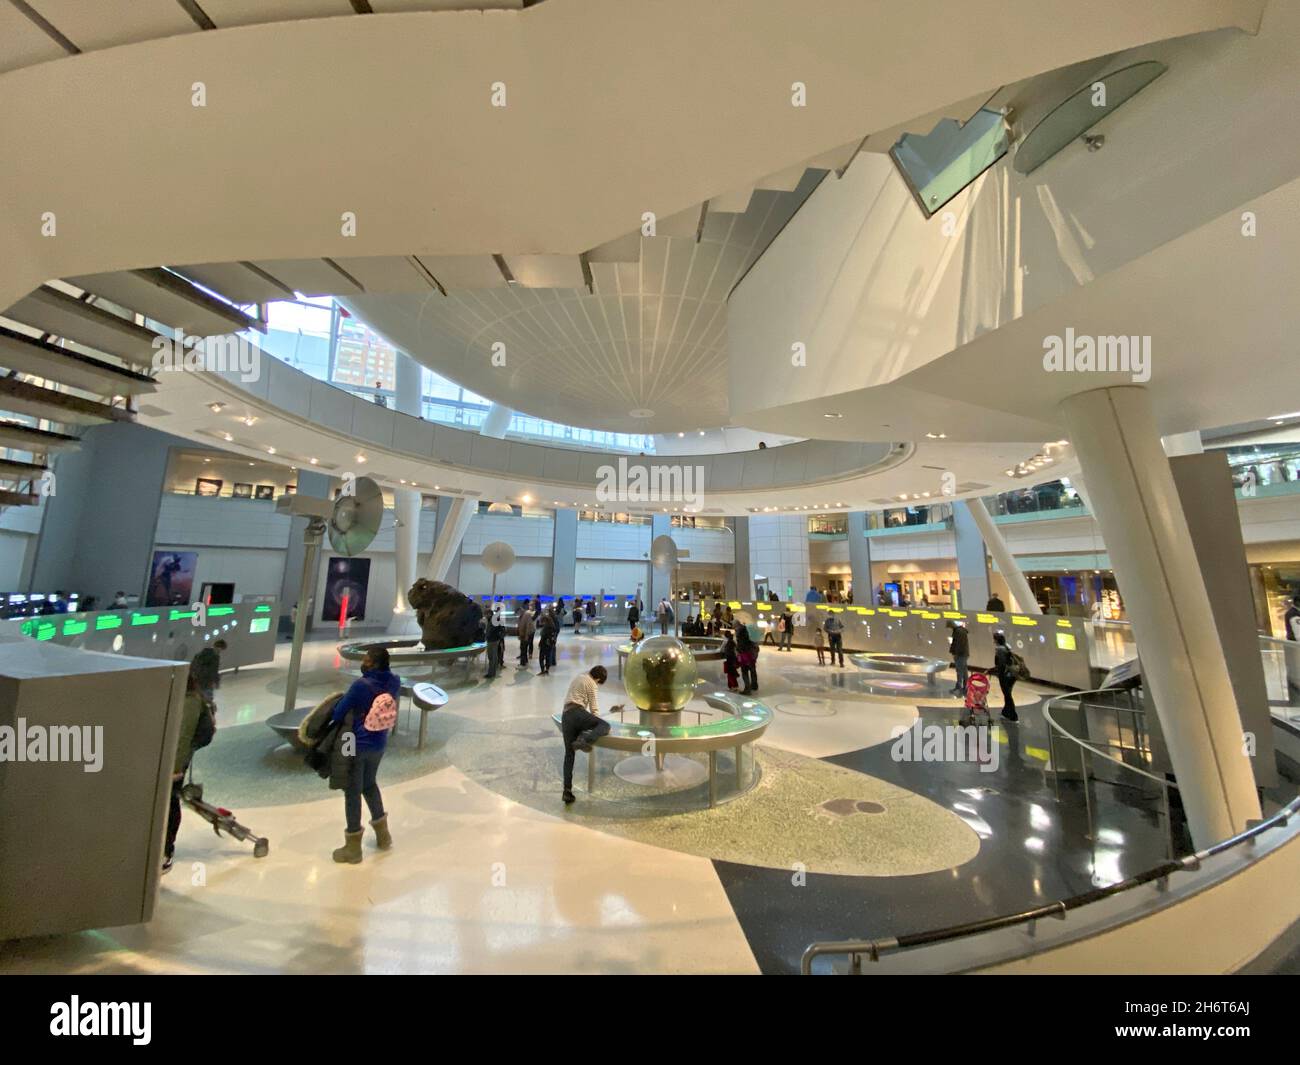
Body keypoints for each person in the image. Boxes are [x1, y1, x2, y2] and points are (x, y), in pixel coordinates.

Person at [329, 647, 401, 863]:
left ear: (374, 663)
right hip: (380, 741)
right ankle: (383, 835)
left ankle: (353, 847)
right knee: (369, 784)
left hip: (355, 742)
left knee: (352, 789)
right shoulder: (394, 681)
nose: (364, 662)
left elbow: (338, 712)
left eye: (367, 660)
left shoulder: (361, 685)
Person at [163, 673, 215, 874]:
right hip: (170, 759)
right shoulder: (181, 698)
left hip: (175, 762)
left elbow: (183, 736)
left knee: (169, 802)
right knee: (165, 802)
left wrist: (174, 768)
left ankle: (166, 850)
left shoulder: (190, 701)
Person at [560, 665, 619, 804]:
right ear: (598, 678)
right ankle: (584, 740)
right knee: (605, 725)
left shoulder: (579, 677)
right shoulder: (592, 683)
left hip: (566, 715)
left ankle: (567, 791)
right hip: (577, 712)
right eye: (599, 682)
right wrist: (597, 723)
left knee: (569, 754)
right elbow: (594, 708)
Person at [189, 638, 227, 702]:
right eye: (221, 650)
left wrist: (193, 676)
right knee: (208, 699)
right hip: (207, 682)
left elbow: (192, 666)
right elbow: (214, 671)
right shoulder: (215, 656)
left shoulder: (200, 653)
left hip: (197, 680)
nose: (220, 652)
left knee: (199, 699)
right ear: (220, 648)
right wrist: (217, 682)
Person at [992, 632, 1018, 722]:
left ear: (996, 640)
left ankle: (1013, 716)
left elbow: (1001, 664)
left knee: (1007, 695)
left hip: (1005, 675)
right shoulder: (1007, 646)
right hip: (1012, 674)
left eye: (994, 639)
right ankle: (1005, 712)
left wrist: (998, 672)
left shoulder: (999, 649)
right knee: (1007, 694)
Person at [947, 620, 970, 696]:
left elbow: (958, 644)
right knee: (964, 671)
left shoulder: (958, 632)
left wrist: (955, 654)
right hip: (963, 654)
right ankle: (966, 687)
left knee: (960, 671)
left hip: (960, 654)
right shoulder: (959, 631)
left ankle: (959, 688)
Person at [735, 623, 759, 694]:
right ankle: (754, 685)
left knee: (744, 671)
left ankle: (747, 689)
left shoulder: (741, 638)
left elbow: (740, 648)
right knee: (753, 670)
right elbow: (756, 647)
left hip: (744, 656)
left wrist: (738, 653)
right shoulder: (751, 636)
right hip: (752, 655)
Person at [483, 604, 506, 679]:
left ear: (489, 614)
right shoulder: (492, 619)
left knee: (492, 657)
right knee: (493, 656)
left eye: (486, 614)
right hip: (492, 640)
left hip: (493, 640)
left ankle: (491, 673)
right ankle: (492, 671)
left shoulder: (494, 619)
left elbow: (501, 629)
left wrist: (499, 637)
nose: (485, 616)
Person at [537, 604, 559, 675]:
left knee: (541, 657)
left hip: (544, 644)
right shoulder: (553, 627)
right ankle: (547, 669)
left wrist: (540, 644)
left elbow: (543, 638)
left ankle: (543, 670)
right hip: (550, 644)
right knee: (548, 656)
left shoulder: (545, 629)